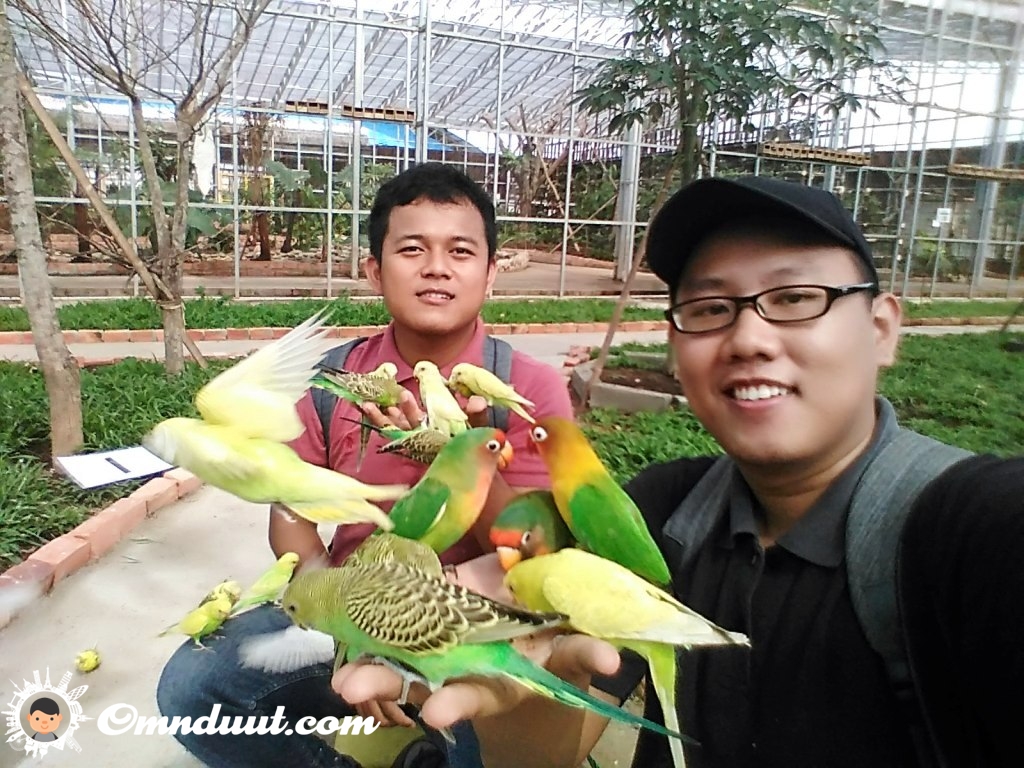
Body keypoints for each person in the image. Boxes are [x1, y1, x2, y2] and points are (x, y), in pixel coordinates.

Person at [332, 175, 1024, 768]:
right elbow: (548, 751)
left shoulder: (976, 530)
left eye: (795, 297)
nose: (749, 338)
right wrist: (529, 696)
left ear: (881, 328)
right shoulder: (664, 510)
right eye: (711, 308)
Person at [156, 162, 574, 768]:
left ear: (489, 272)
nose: (437, 267)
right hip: (352, 607)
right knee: (195, 690)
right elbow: (290, 517)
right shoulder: (335, 382)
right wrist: (345, 622)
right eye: (412, 249)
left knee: (488, 744)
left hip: (477, 618)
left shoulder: (526, 390)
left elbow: (538, 554)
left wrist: (456, 455)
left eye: (460, 251)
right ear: (375, 270)